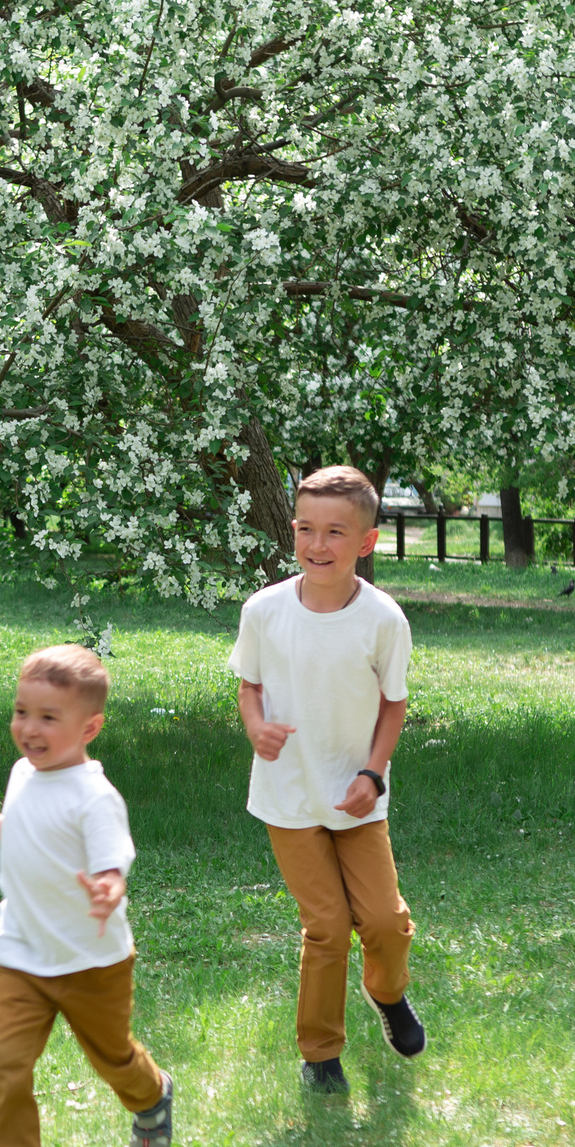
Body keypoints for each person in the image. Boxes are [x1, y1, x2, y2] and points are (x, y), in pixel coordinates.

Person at [0, 645, 174, 1147]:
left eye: (49, 717)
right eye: (22, 712)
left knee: (113, 1058)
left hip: (92, 962)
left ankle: (152, 1096)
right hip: (22, 954)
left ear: (89, 728)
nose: (29, 728)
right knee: (2, 1062)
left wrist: (108, 889)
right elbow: (27, 833)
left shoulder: (95, 798)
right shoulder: (23, 773)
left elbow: (112, 864)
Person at [231, 465, 425, 1094]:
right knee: (328, 927)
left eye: (335, 532)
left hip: (356, 795)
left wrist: (373, 773)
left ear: (366, 542)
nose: (318, 545)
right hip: (288, 797)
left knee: (385, 922)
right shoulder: (264, 611)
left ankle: (387, 993)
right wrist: (256, 726)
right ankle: (320, 1054)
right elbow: (250, 684)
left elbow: (393, 703)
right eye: (305, 529)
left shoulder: (383, 620)